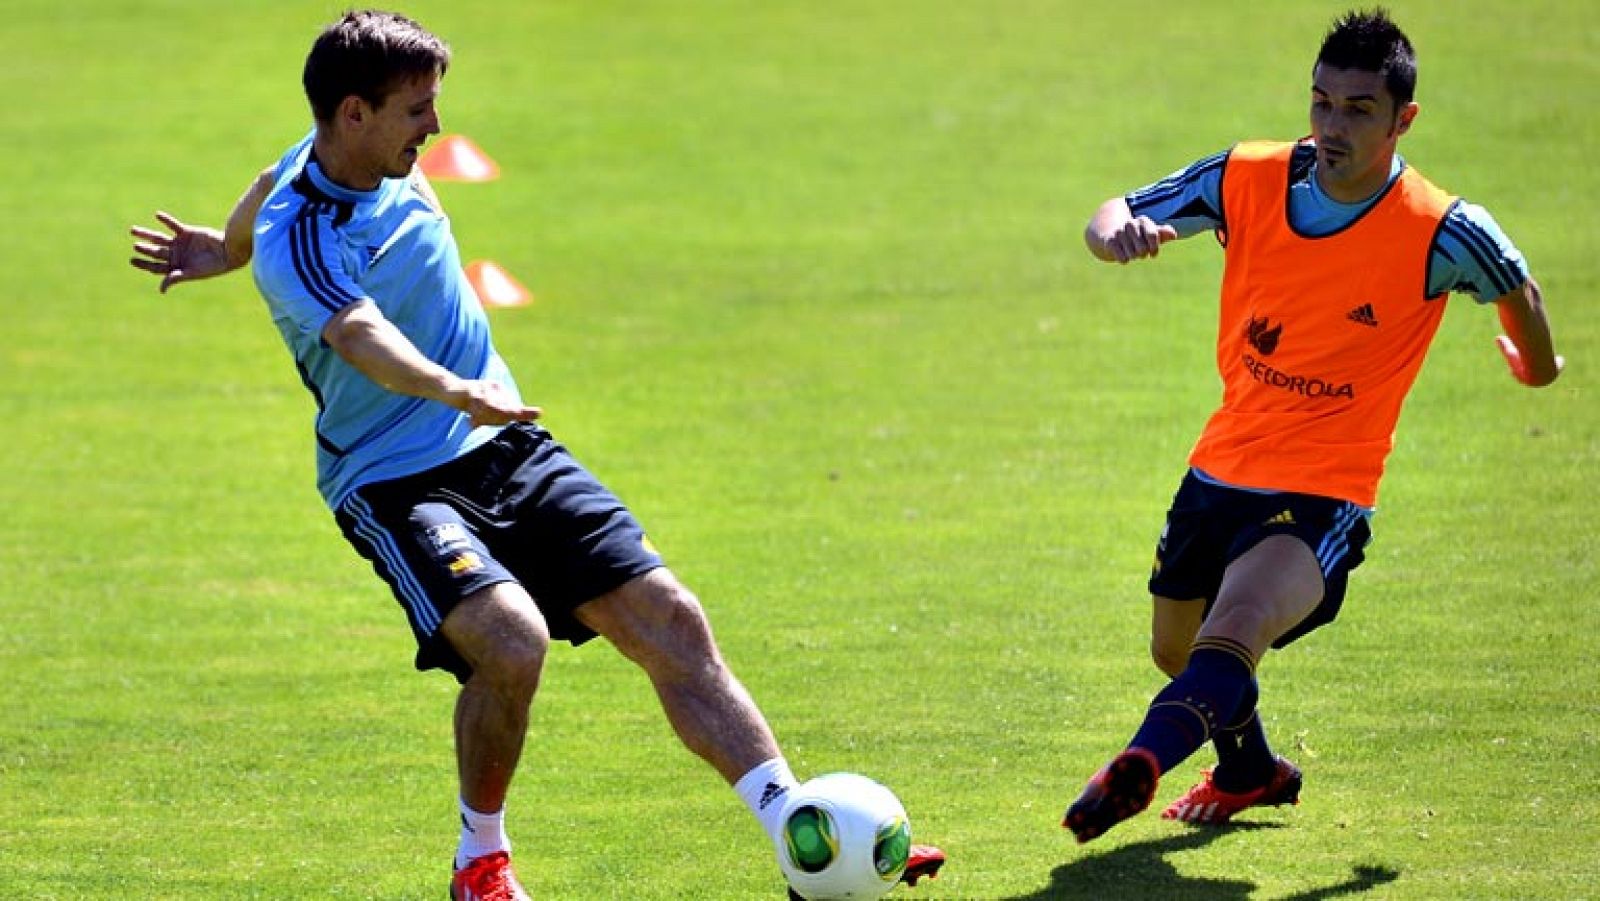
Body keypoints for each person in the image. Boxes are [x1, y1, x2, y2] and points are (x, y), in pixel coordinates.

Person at [128, 10, 943, 898]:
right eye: (416, 112)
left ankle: (803, 830)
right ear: (354, 113)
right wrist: (456, 388)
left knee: (670, 615)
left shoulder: (321, 154)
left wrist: (221, 244)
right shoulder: (302, 240)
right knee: (511, 642)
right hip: (392, 479)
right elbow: (359, 337)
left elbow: (263, 172)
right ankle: (480, 859)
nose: (434, 129)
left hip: (506, 444)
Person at [1062, 7, 1562, 844]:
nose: (1332, 126)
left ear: (1404, 118)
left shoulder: (1443, 228)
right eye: (1321, 103)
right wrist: (1118, 236)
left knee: (1236, 628)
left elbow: (1520, 285)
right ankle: (1250, 771)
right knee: (1177, 650)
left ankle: (1138, 763)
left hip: (1326, 489)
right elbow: (1111, 210)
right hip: (1221, 466)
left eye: (1358, 109)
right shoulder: (1246, 176)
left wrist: (1537, 363)